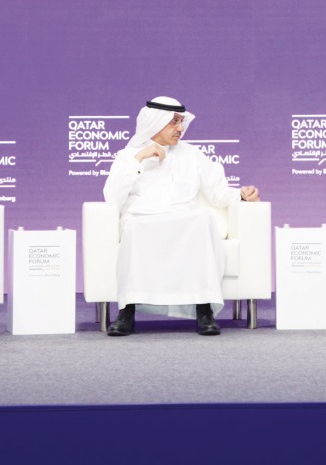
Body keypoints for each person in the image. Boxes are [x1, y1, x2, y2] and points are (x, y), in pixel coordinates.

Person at [102, 96, 260, 337]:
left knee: (204, 220)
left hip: (184, 219)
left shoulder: (192, 155)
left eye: (181, 122)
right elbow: (112, 198)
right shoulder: (128, 156)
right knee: (134, 226)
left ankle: (204, 309)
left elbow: (217, 192)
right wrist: (140, 159)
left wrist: (241, 195)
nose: (180, 128)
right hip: (143, 219)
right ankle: (127, 310)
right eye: (173, 122)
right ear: (155, 122)